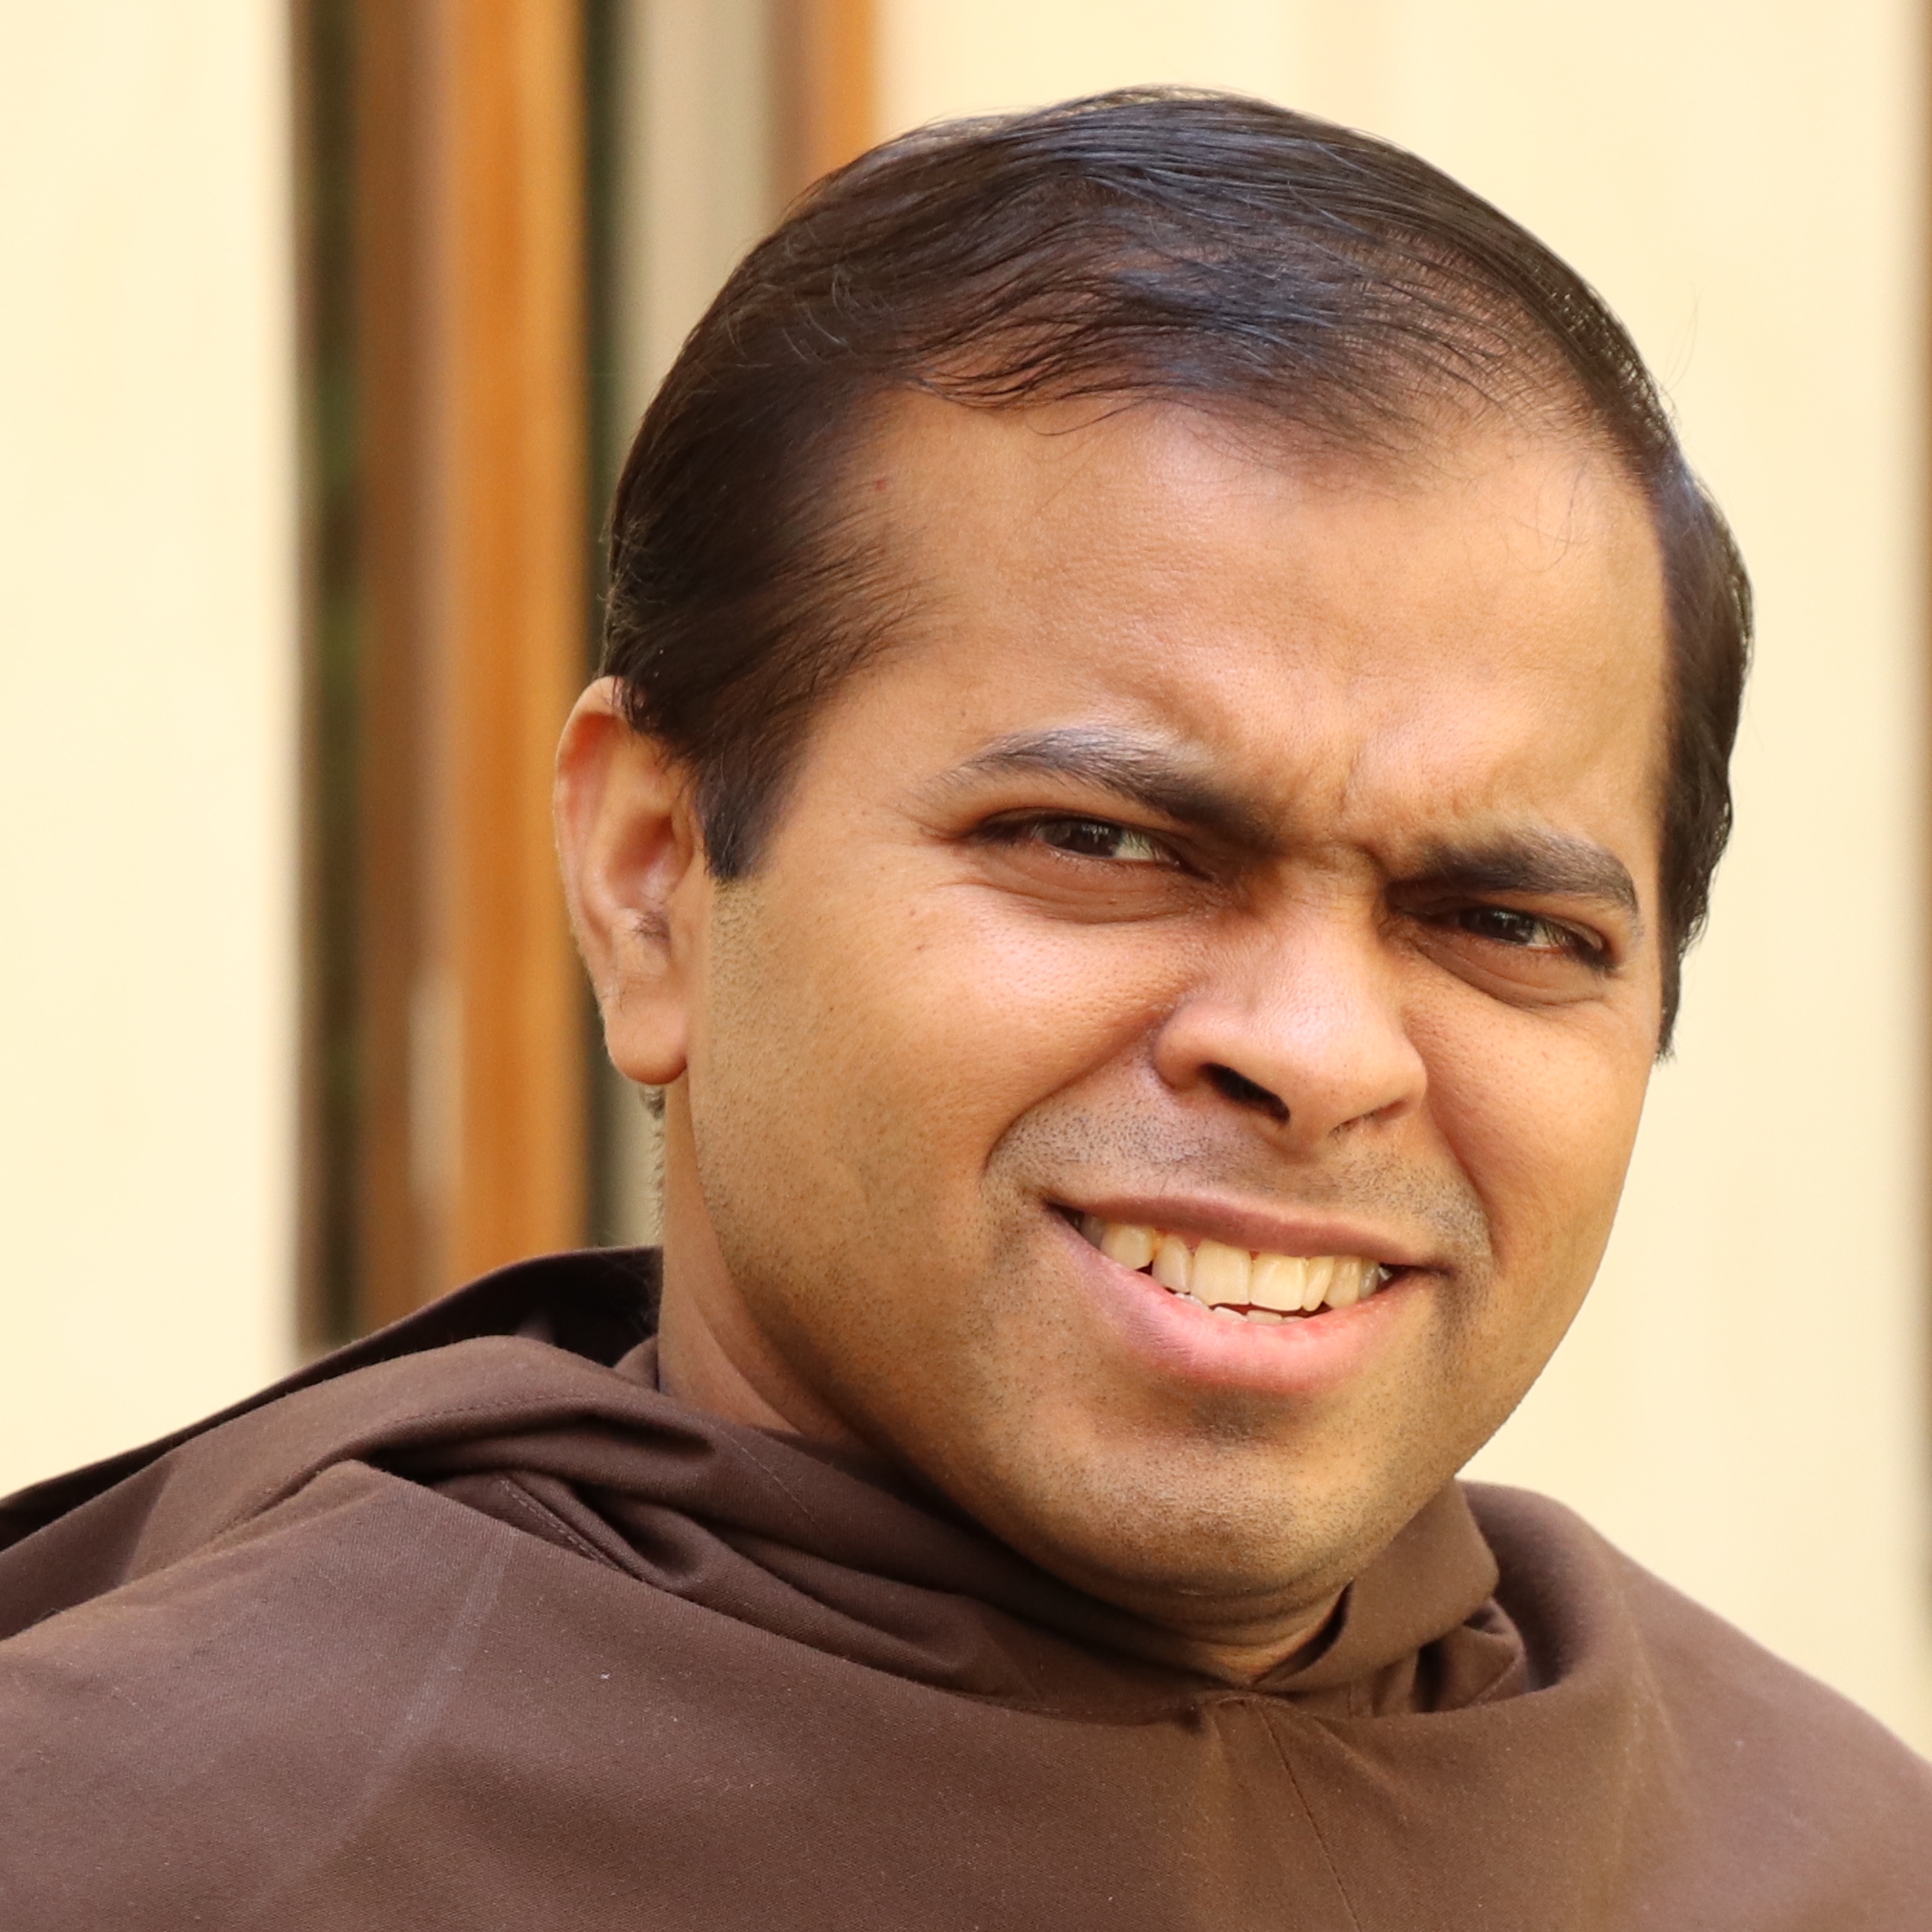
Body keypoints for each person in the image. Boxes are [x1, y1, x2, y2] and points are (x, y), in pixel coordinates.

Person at [2, 88, 1926, 1929]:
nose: (1321, 1052)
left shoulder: (1816, 1868)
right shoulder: (150, 1851)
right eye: (1100, 842)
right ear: (653, 879)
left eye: (1500, 920)